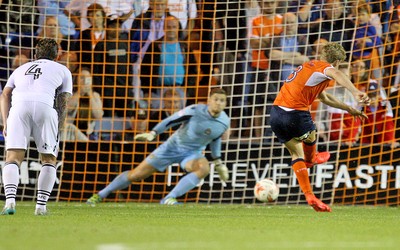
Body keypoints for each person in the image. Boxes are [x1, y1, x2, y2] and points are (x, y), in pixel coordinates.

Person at [270, 43, 370, 212]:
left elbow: (324, 98)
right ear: (337, 61)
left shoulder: (309, 68)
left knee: (296, 153)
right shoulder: (324, 68)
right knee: (310, 135)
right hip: (295, 113)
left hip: (275, 114)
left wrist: (349, 109)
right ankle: (312, 159)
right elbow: (337, 73)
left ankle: (309, 195)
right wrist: (355, 92)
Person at [86, 88, 230, 206]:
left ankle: (169, 198)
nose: (218, 103)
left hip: (192, 153)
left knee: (203, 168)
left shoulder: (224, 122)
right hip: (171, 148)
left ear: (225, 103)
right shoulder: (195, 110)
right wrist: (153, 133)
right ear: (209, 100)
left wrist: (218, 162)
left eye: (222, 100)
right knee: (136, 175)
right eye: (215, 99)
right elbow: (171, 120)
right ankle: (100, 194)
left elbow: (215, 139)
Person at [0, 38, 73, 215]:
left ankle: (9, 202)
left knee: (12, 158)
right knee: (48, 159)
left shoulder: (20, 69)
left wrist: (5, 121)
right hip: (45, 107)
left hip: (18, 109)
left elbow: (5, 94)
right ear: (57, 56)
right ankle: (40, 207)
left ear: (35, 54)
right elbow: (63, 100)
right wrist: (59, 126)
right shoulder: (63, 70)